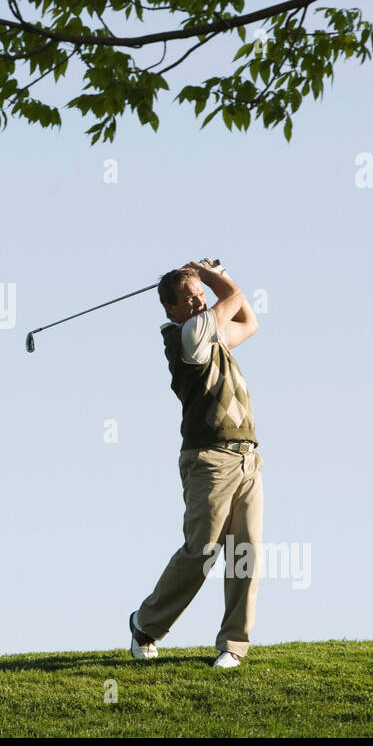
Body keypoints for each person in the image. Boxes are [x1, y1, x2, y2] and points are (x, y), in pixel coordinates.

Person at [128, 258, 264, 669]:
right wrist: (208, 273)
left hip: (247, 458)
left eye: (199, 295)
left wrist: (208, 277)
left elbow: (250, 320)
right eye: (188, 297)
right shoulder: (189, 334)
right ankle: (145, 625)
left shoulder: (212, 334)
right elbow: (234, 297)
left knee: (246, 552)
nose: (197, 301)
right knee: (202, 549)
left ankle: (232, 646)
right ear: (170, 309)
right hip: (209, 459)